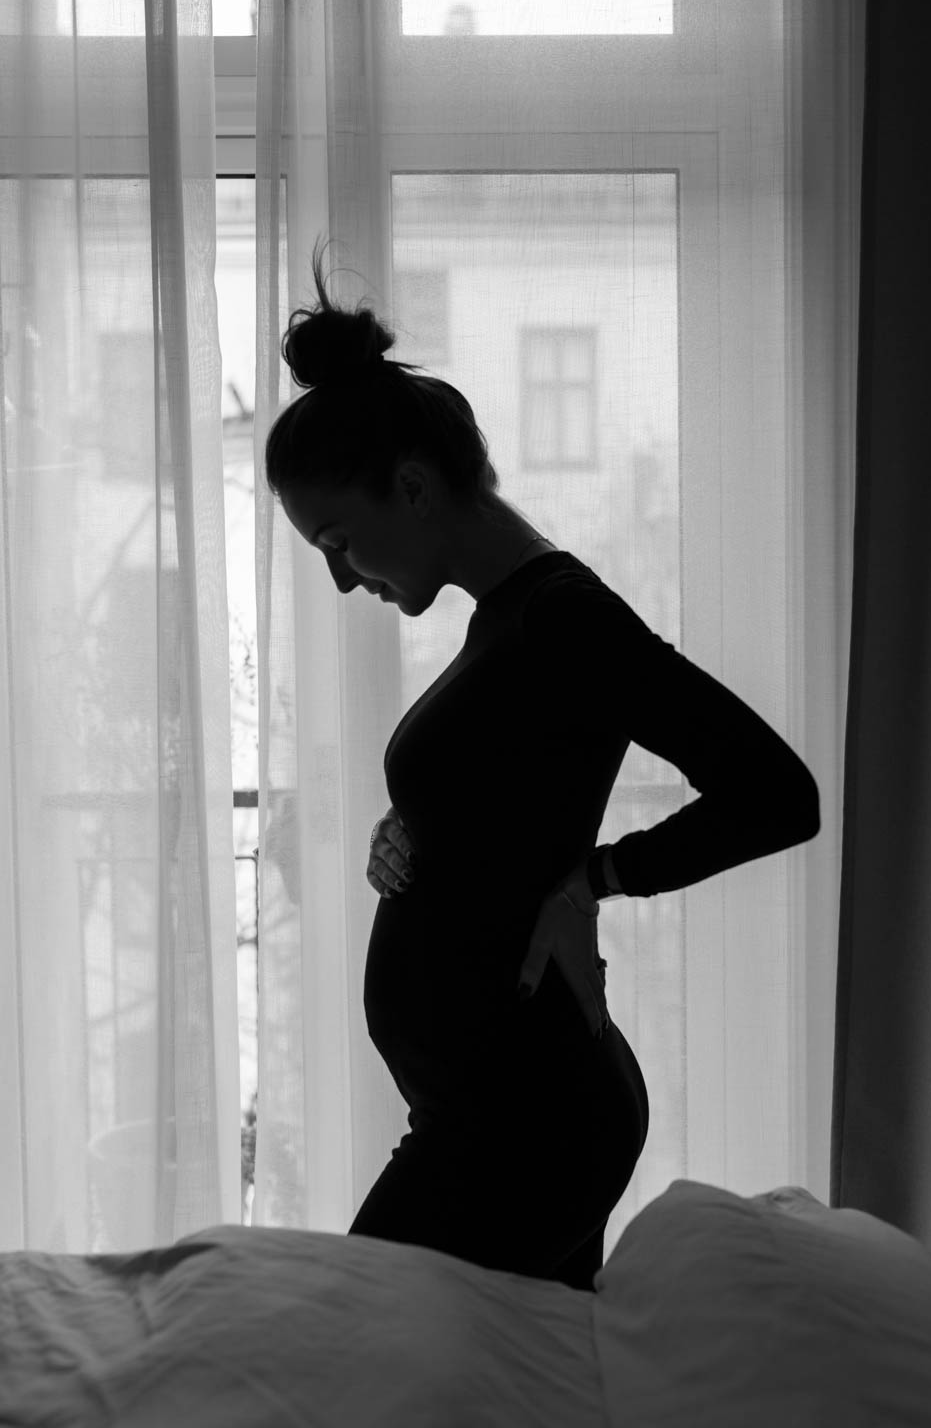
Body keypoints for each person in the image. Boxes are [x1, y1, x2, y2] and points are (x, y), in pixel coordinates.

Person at [265, 237, 821, 1292]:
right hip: (492, 1109)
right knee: (534, 1376)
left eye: (339, 541)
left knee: (354, 1334)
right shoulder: (511, 620)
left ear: (413, 487)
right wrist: (414, 824)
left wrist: (596, 879)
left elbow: (776, 795)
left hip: (530, 1120)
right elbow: (511, 793)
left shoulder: (565, 618)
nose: (342, 580)